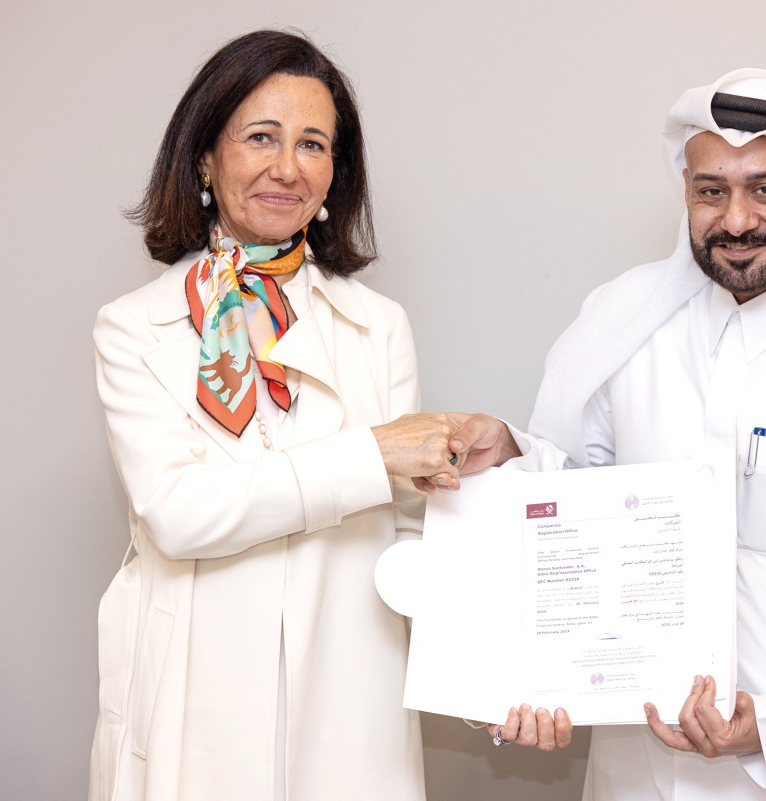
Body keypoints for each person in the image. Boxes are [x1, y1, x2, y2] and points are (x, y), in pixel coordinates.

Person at [445, 69, 766, 800]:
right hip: (641, 779)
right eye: (710, 190)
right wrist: (511, 452)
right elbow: (575, 508)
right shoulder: (625, 331)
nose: (735, 219)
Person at [88, 29, 489, 801]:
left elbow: (411, 536)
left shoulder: (381, 325)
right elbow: (177, 512)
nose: (286, 167)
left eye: (313, 144)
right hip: (192, 697)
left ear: (336, 172)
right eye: (260, 137)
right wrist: (370, 454)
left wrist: (487, 663)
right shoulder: (134, 326)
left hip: (350, 698)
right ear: (205, 157)